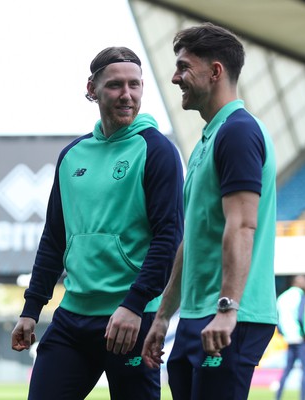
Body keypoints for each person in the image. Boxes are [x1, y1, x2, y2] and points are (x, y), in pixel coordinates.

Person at [11, 46, 184, 400]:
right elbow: (55, 238)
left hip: (132, 319)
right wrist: (31, 310)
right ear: (92, 89)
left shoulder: (157, 150)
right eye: (115, 85)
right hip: (72, 318)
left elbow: (169, 237)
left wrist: (135, 304)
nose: (127, 95)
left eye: (135, 85)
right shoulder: (72, 155)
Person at [141, 23, 278, 400]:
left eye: (184, 67)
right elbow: (194, 238)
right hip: (198, 314)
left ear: (215, 71)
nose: (174, 77)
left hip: (231, 314)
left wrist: (228, 308)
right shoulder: (208, 139)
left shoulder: (238, 132)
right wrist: (164, 314)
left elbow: (243, 223)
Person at [276, 275, 305, 400]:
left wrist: (283, 333)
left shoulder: (282, 297)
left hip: (290, 339)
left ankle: (277, 397)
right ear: (297, 283)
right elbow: (300, 317)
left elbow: (278, 319)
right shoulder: (300, 296)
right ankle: (303, 398)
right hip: (302, 340)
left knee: (287, 371)